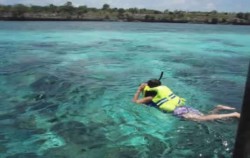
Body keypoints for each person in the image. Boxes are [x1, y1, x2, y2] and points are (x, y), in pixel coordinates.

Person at [132, 79, 240, 121]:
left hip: (178, 111)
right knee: (206, 117)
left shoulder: (150, 97)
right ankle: (218, 108)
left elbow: (135, 102)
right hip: (183, 107)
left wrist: (139, 89)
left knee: (202, 119)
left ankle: (233, 114)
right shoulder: (163, 90)